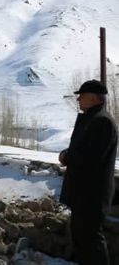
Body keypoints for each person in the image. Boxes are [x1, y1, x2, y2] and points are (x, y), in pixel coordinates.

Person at [59, 79, 118, 265]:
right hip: (83, 194)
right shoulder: (93, 119)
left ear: (93, 98)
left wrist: (66, 157)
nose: (78, 100)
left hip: (92, 195)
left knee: (91, 240)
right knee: (81, 238)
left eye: (81, 96)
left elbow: (91, 159)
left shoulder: (102, 122)